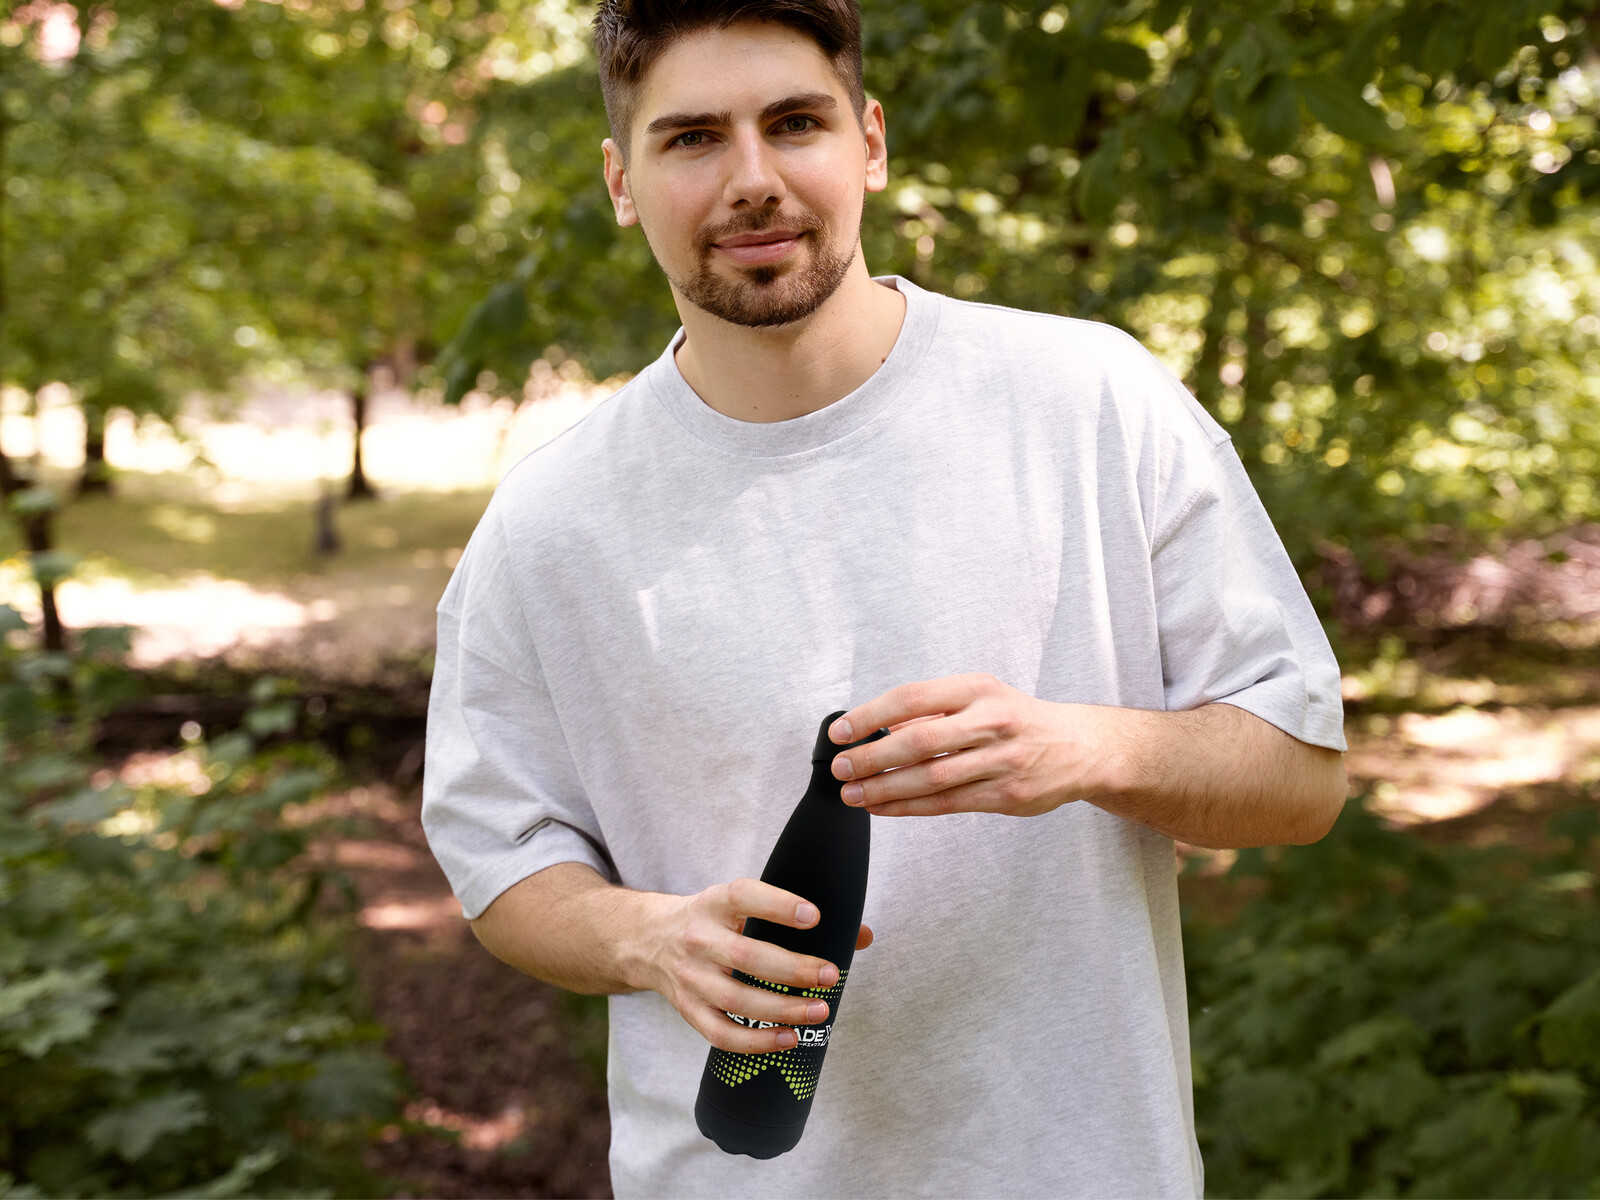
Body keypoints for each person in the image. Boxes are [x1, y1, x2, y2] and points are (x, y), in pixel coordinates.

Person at [419, 0, 1349, 1194]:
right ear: (620, 181)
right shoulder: (549, 523)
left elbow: (1301, 778)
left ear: (869, 142)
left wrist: (1084, 748)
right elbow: (503, 864)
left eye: (794, 123)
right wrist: (645, 939)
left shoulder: (1089, 402)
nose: (752, 180)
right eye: (691, 138)